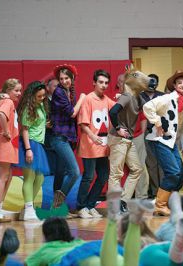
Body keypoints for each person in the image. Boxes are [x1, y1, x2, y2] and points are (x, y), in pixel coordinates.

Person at [143, 70, 183, 216]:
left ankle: (167, 201)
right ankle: (160, 205)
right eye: (179, 82)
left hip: (171, 142)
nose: (182, 84)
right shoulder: (168, 98)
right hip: (159, 139)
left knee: (181, 173)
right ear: (174, 85)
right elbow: (147, 107)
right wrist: (157, 122)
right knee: (173, 172)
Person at [108, 69, 150, 213]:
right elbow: (112, 111)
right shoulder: (126, 96)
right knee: (116, 173)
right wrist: (119, 128)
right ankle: (114, 205)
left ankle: (123, 201)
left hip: (128, 139)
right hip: (119, 138)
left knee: (137, 169)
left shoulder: (137, 97)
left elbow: (149, 104)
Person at [76, 69, 115, 219]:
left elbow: (118, 108)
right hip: (90, 146)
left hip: (103, 147)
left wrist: (125, 96)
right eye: (100, 82)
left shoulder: (107, 100)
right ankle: (81, 207)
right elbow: (83, 124)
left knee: (104, 176)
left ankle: (90, 205)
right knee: (88, 176)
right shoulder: (88, 99)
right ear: (94, 82)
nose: (104, 85)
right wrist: (93, 136)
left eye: (106, 83)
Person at [49, 64, 86, 208]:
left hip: (67, 137)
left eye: (66, 78)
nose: (64, 81)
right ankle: (57, 205)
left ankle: (55, 208)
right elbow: (72, 112)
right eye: (61, 79)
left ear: (72, 78)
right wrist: (82, 98)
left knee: (60, 172)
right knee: (75, 172)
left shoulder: (69, 91)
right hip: (59, 137)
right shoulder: (59, 92)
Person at [16, 81, 50, 221]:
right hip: (30, 144)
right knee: (29, 177)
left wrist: (44, 125)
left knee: (40, 178)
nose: (42, 98)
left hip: (38, 144)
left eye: (43, 96)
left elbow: (38, 123)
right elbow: (25, 129)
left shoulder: (41, 105)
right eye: (39, 96)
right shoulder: (27, 109)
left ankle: (27, 208)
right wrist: (28, 149)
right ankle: (29, 209)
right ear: (32, 96)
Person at [0, 79, 22, 222]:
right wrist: (6, 131)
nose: (19, 93)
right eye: (16, 90)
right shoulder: (7, 102)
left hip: (6, 145)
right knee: (2, 177)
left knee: (8, 176)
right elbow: (2, 115)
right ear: (8, 90)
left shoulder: (1, 101)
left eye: (20, 90)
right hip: (4, 144)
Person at [140, 73, 165, 199]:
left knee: (162, 162)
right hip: (145, 132)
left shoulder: (163, 96)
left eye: (154, 82)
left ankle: (163, 192)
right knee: (150, 163)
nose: (151, 84)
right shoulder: (139, 96)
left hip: (160, 132)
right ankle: (154, 192)